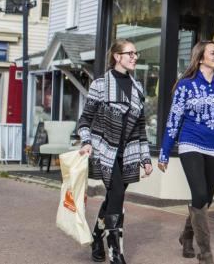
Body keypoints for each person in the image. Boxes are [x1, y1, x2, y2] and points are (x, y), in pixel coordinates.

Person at [158, 41, 214, 263]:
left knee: (205, 199)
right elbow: (174, 120)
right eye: (213, 52)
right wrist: (165, 152)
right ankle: (205, 253)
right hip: (191, 143)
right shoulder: (185, 86)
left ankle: (186, 236)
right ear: (200, 58)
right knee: (199, 194)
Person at [77, 39, 153, 264]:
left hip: (127, 154)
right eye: (129, 53)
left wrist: (145, 158)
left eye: (136, 53)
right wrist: (86, 142)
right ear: (117, 57)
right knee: (118, 196)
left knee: (112, 198)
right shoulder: (100, 85)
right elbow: (84, 120)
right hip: (105, 152)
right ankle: (115, 253)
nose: (134, 57)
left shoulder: (138, 87)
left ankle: (96, 238)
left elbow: (140, 128)